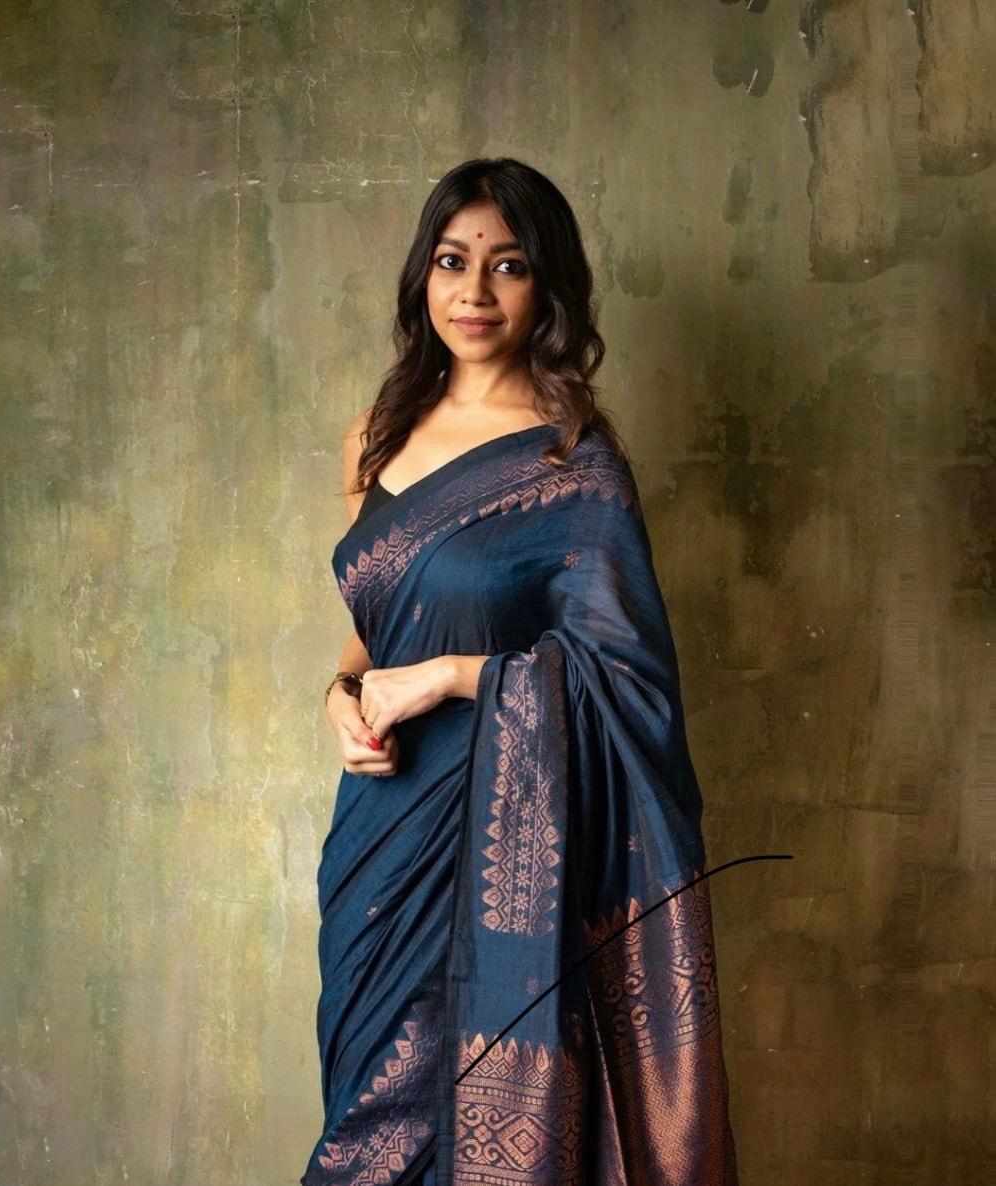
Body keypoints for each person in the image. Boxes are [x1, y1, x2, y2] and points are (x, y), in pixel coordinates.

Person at [299, 157, 739, 1186]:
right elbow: (370, 636)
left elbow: (627, 681)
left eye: (508, 266)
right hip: (380, 837)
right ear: (423, 274)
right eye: (453, 261)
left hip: (501, 840)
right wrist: (337, 697)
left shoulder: (572, 463)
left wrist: (450, 678)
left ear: (546, 287)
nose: (474, 292)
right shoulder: (375, 438)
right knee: (364, 1115)